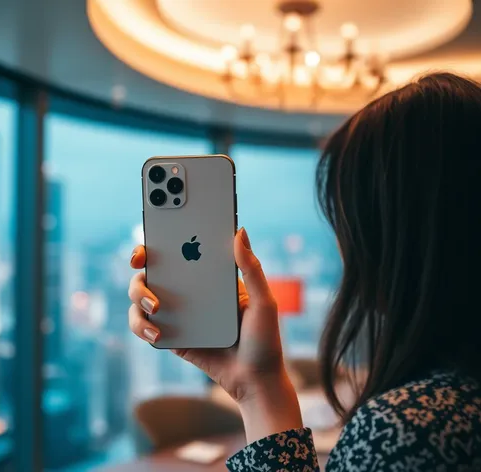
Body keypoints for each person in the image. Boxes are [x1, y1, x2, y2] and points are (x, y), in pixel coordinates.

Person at [127, 72, 481, 471]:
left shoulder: (411, 431)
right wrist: (258, 384)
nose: (340, 244)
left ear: (411, 230)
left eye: (347, 219)